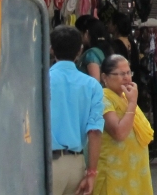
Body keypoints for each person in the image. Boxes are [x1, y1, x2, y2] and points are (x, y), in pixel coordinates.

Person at [49, 26, 104, 195]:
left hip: (47, 164)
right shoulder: (92, 85)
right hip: (76, 164)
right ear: (80, 50)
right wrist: (92, 173)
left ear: (51, 50)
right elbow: (94, 132)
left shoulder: (40, 80)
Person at [95, 55, 153, 195]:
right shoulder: (103, 98)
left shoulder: (126, 96)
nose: (127, 77)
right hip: (115, 172)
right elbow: (119, 133)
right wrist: (132, 103)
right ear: (105, 77)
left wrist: (131, 101)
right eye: (121, 74)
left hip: (135, 171)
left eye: (128, 73)